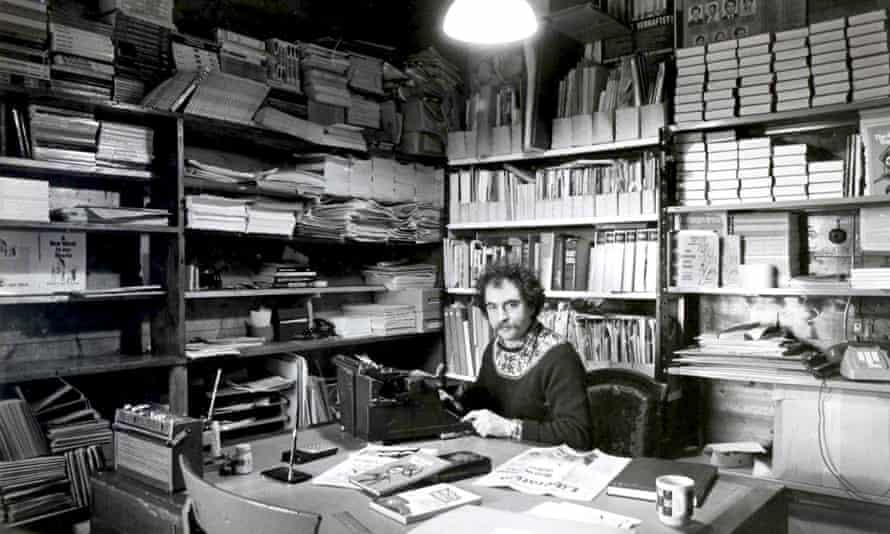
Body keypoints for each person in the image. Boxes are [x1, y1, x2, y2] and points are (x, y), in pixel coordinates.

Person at [449, 263, 592, 451]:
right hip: (502, 455)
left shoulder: (560, 356)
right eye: (492, 307)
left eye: (512, 305)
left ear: (531, 306)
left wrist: (510, 428)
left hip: (547, 465)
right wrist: (448, 400)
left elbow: (578, 435)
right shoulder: (493, 348)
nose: (501, 317)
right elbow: (485, 404)